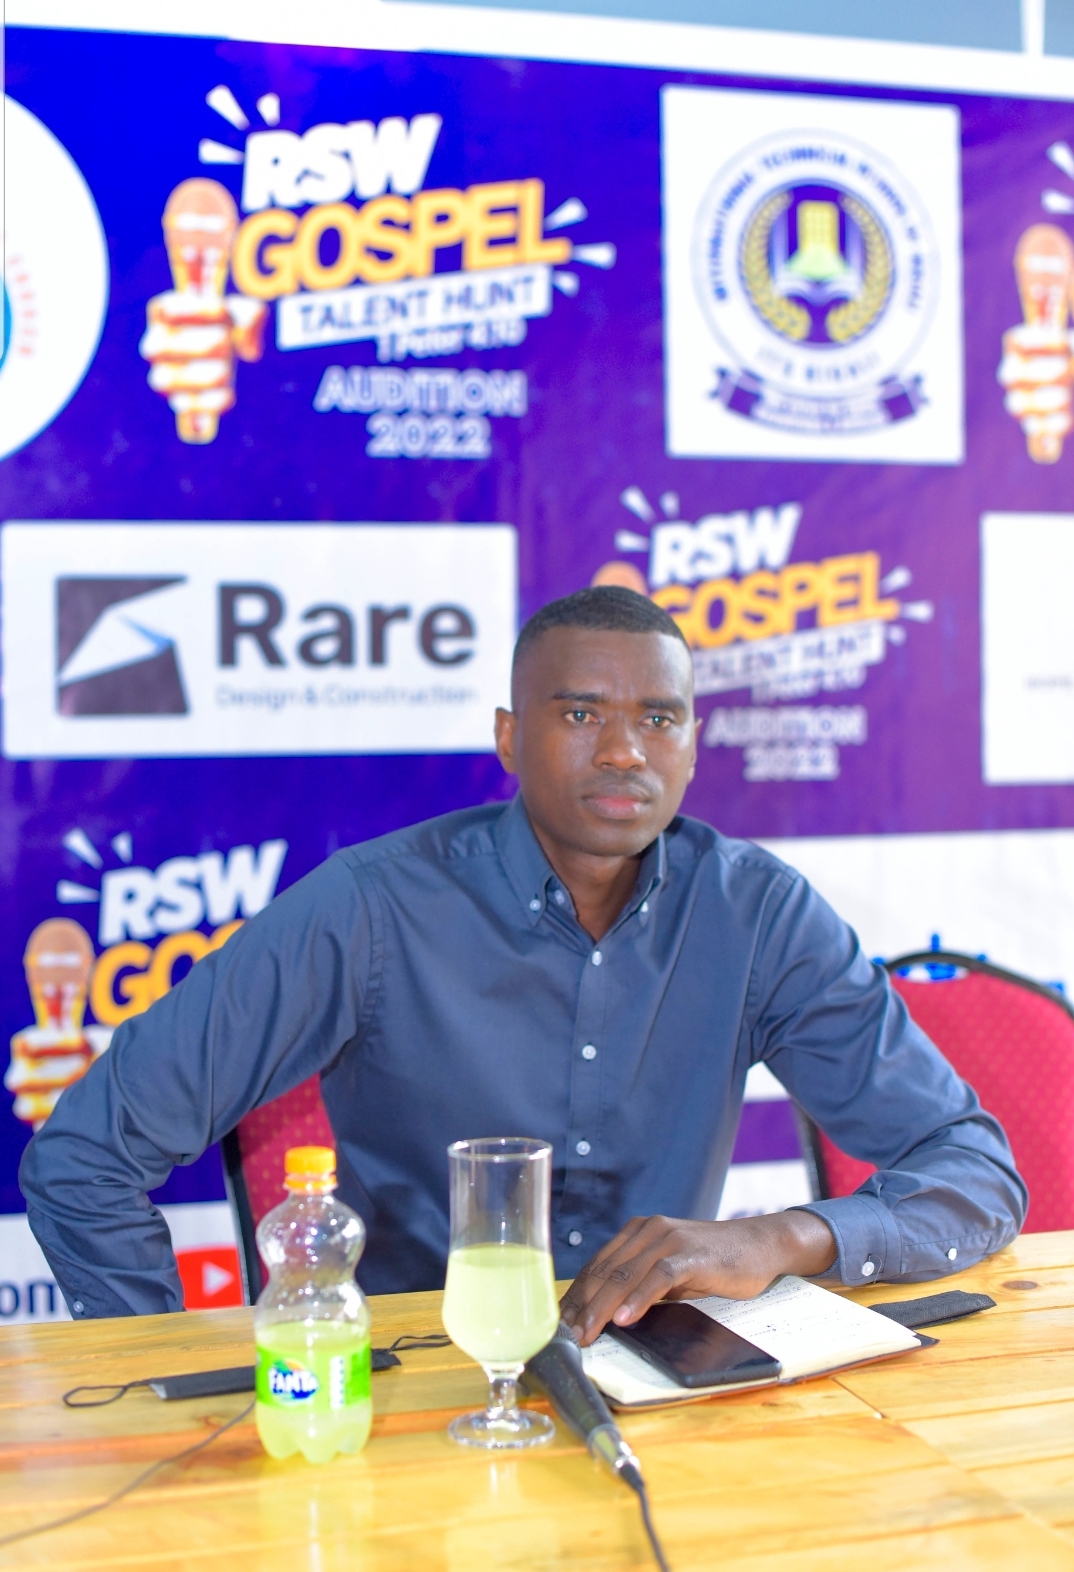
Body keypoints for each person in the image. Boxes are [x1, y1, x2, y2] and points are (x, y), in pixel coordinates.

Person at [21, 587, 1026, 1342]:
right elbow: (85, 1156)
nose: (626, 751)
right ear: (509, 737)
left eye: (659, 718)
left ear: (693, 743)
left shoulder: (756, 912)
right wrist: (163, 1383)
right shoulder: (373, 906)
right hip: (425, 1385)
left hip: (666, 1381)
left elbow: (974, 1171)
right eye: (582, 714)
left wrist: (774, 1239)